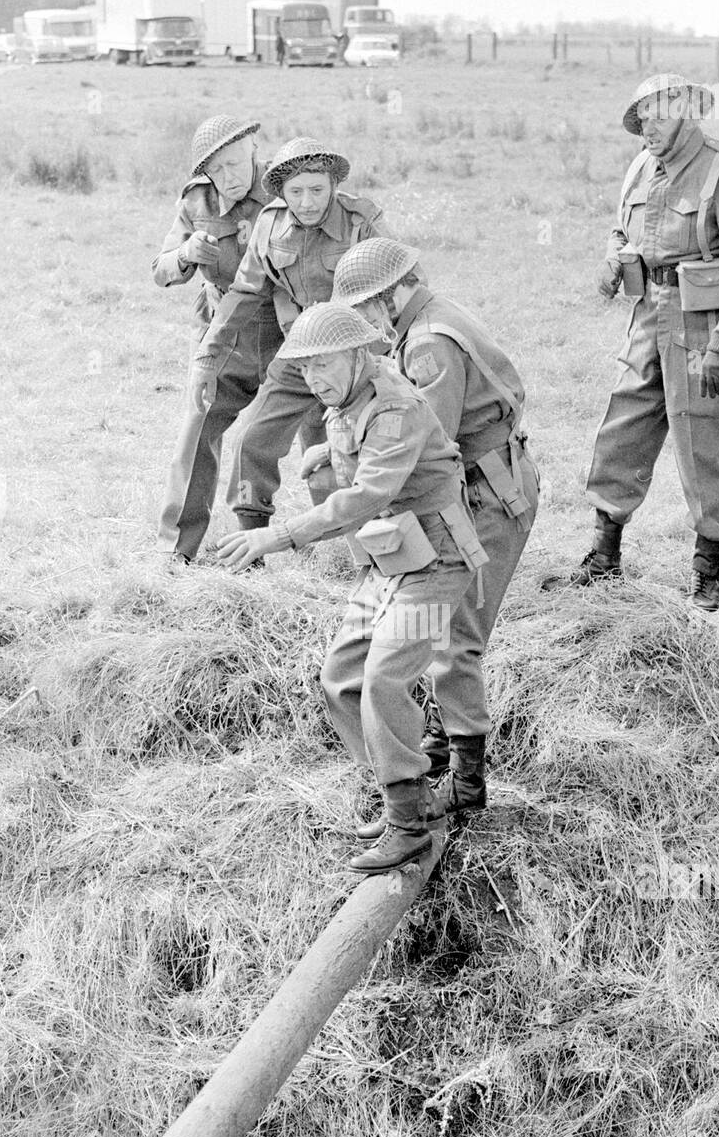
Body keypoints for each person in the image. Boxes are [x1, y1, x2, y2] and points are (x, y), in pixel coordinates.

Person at [216, 304, 488, 875]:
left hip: (436, 562)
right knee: (341, 676)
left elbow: (365, 496)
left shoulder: (394, 408)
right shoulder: (349, 397)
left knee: (385, 676)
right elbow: (352, 449)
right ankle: (408, 794)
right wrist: (324, 453)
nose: (316, 381)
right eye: (306, 370)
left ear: (359, 355)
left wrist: (278, 536)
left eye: (326, 366)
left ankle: (410, 826)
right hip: (392, 558)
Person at [548, 73, 719, 611]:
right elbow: (622, 230)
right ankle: (603, 559)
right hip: (647, 319)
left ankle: (707, 572)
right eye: (642, 117)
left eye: (659, 115)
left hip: (704, 327)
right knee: (622, 428)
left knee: (702, 441)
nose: (648, 127)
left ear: (685, 112)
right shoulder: (640, 166)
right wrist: (615, 257)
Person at [330, 238, 540, 823]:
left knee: (456, 639)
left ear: (399, 289)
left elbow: (427, 444)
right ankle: (443, 751)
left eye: (372, 306)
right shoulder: (424, 319)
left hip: (487, 495)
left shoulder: (428, 345)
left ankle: (468, 788)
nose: (369, 322)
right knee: (438, 631)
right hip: (475, 485)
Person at [190, 138, 388, 535]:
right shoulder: (270, 223)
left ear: (334, 185)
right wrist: (208, 355)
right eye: (296, 192)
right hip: (301, 353)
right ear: (280, 192)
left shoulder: (361, 221)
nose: (308, 202)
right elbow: (245, 292)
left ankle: (372, 541)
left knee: (366, 447)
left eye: (317, 189)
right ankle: (250, 542)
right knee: (252, 440)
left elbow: (398, 283)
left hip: (360, 358)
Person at [152, 115, 283, 563]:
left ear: (253, 147)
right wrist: (187, 254)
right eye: (216, 170)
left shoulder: (288, 186)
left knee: (320, 437)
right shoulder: (197, 201)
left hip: (285, 327)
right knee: (198, 432)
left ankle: (346, 547)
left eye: (234, 164)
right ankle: (178, 552)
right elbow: (161, 268)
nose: (227, 179)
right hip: (221, 337)